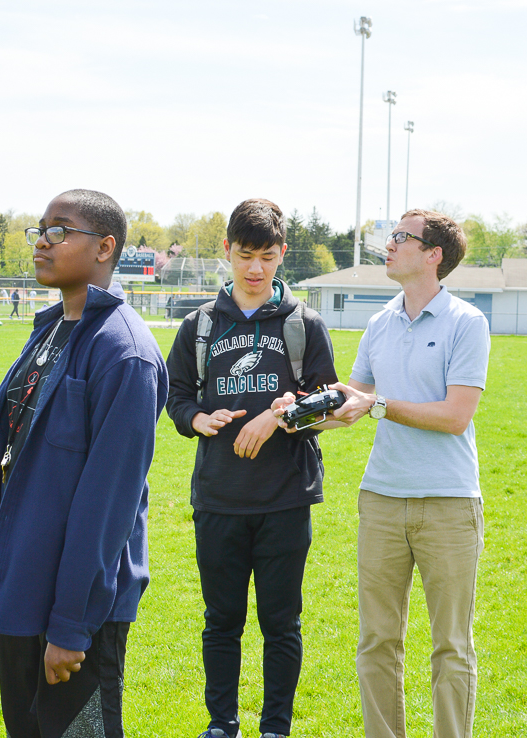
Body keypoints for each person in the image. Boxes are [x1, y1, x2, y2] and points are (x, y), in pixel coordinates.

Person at [274, 209, 489, 738]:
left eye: (400, 237)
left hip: (449, 503)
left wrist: (378, 405)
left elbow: (455, 416)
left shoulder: (467, 322)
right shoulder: (380, 323)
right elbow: (354, 404)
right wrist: (299, 414)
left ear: (433, 254)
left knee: (451, 646)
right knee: (376, 643)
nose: (388, 244)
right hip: (382, 501)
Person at [0, 189, 168, 738]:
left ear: (105, 247)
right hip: (24, 590)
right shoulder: (52, 330)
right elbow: (15, 466)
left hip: (77, 608)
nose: (42, 241)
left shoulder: (124, 352)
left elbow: (107, 505)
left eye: (59, 230)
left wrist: (71, 625)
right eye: (40, 229)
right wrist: (2, 590)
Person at [165, 198, 338, 738]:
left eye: (266, 256)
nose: (255, 268)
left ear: (282, 253)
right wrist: (198, 419)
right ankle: (222, 724)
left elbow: (327, 402)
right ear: (227, 252)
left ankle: (275, 728)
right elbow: (175, 395)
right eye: (245, 255)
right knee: (221, 622)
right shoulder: (199, 325)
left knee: (281, 624)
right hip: (219, 497)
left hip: (285, 498)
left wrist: (278, 416)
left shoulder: (304, 324)